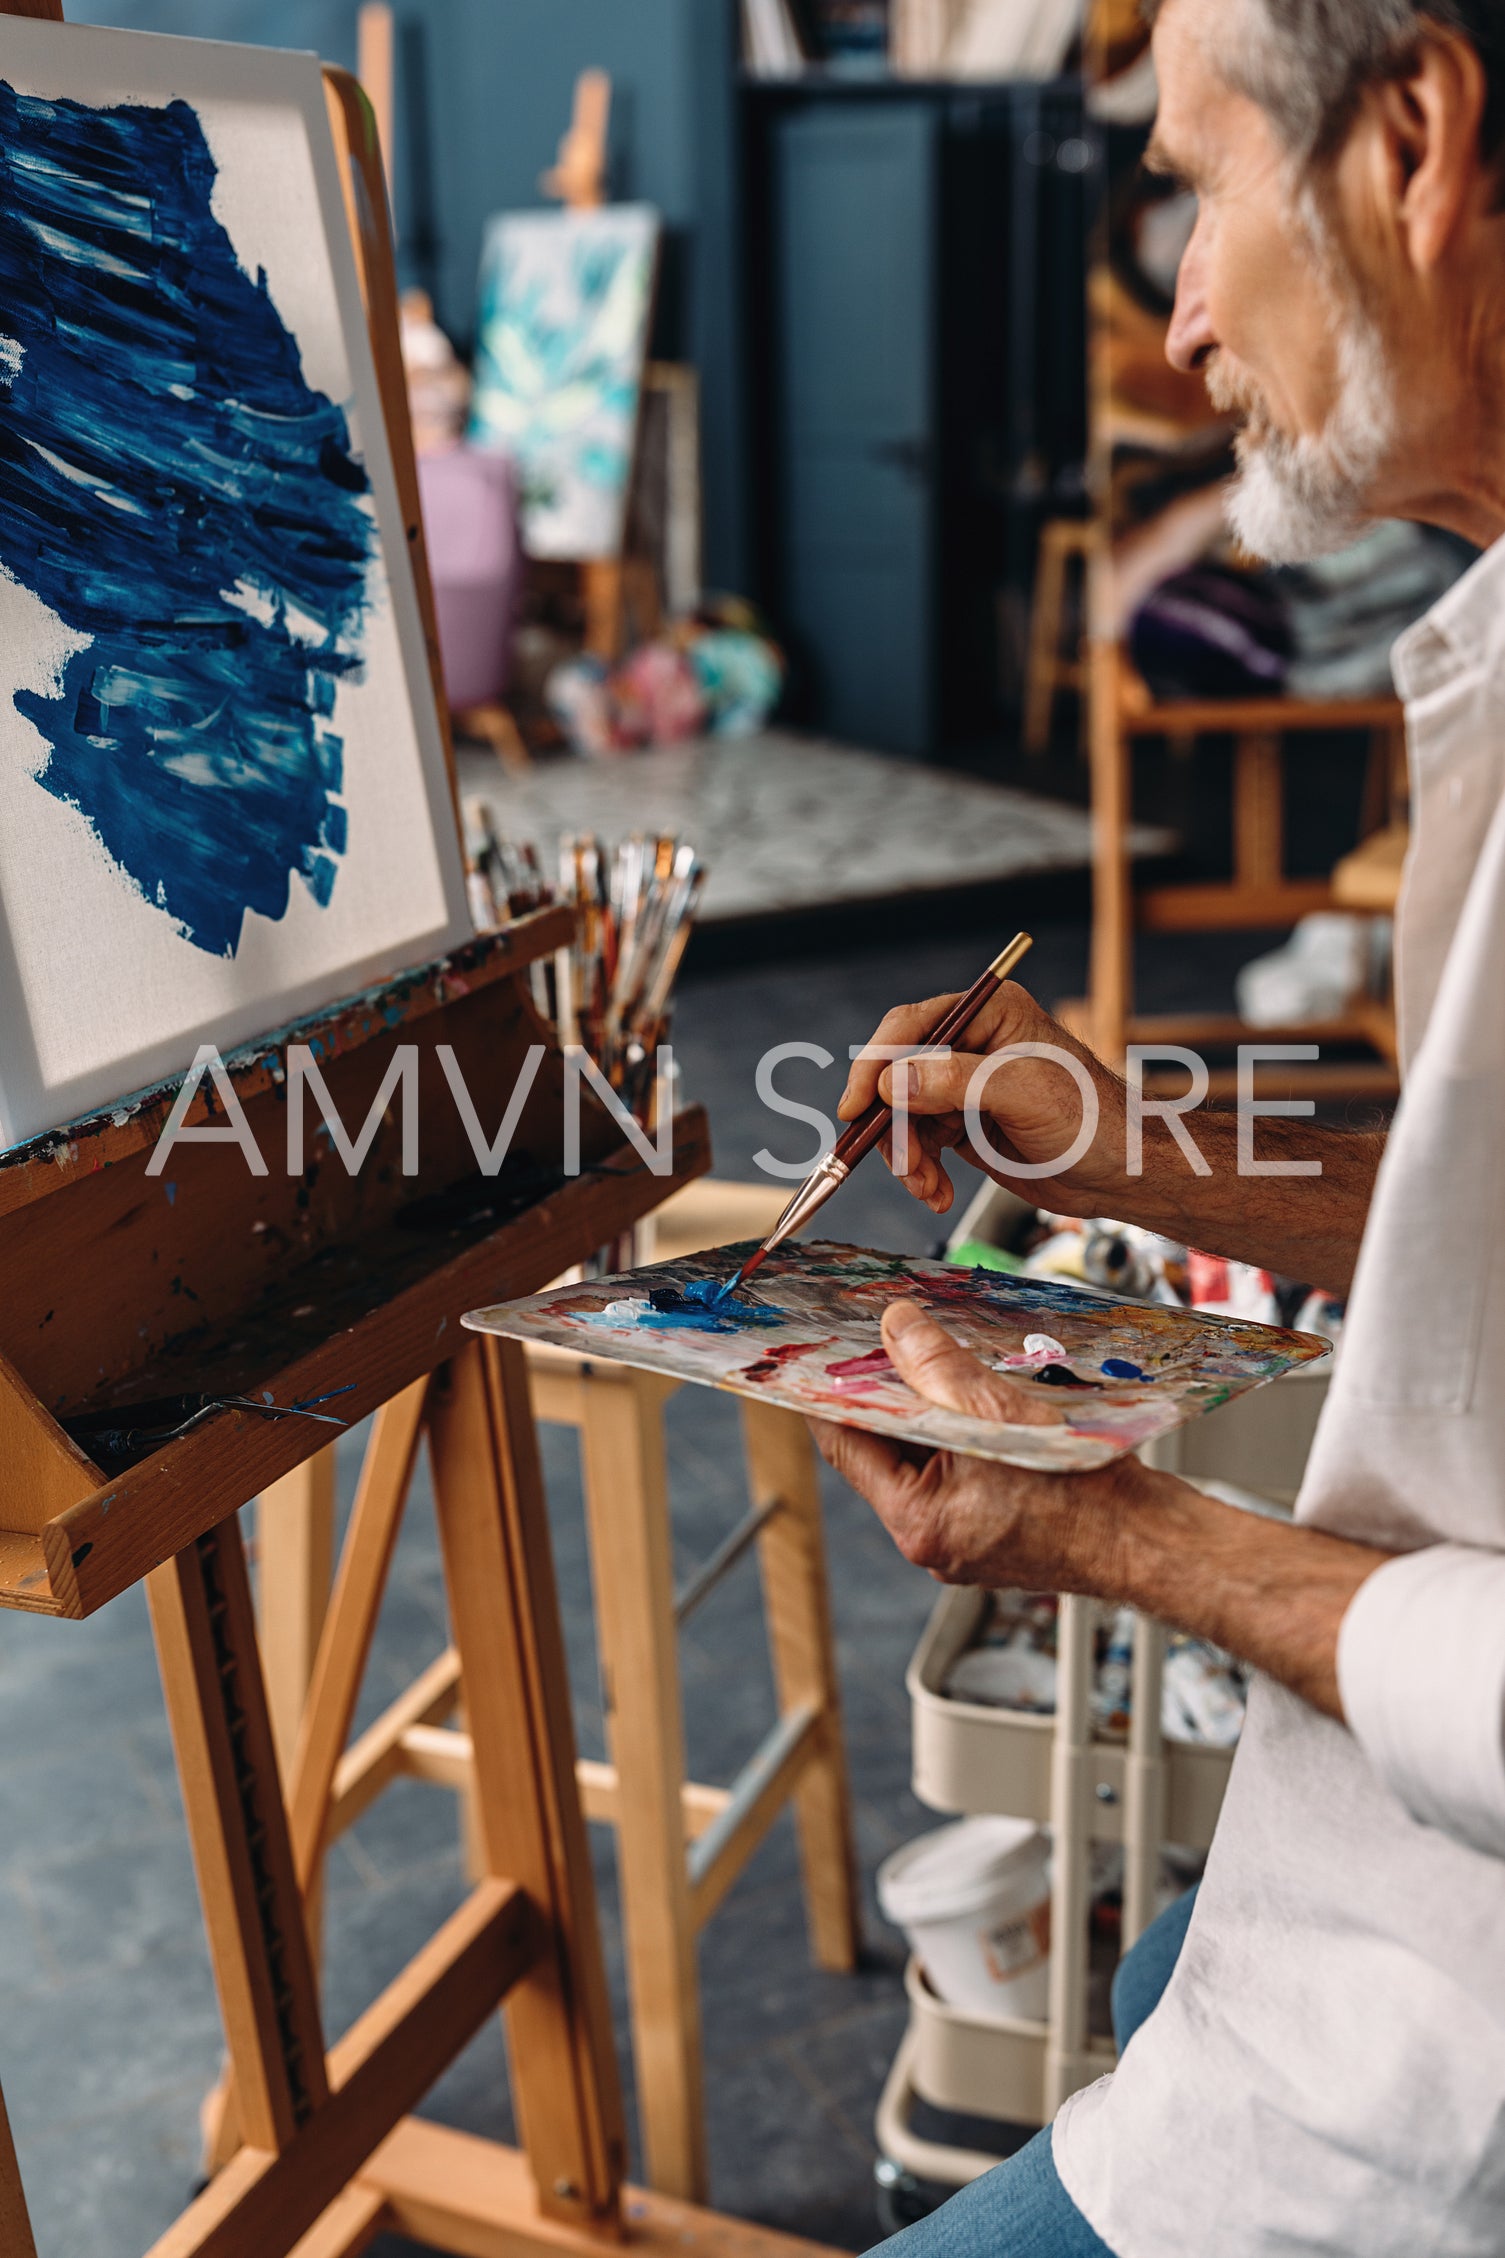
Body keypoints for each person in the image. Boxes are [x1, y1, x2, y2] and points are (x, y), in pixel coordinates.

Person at [821, 3, 1505, 2250]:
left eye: (1204, 185)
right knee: (1163, 1958)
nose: (1186, 306)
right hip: (1368, 1891)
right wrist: (1125, 1147)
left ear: (1414, 137)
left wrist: (1111, 1539)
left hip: (1432, 2081)